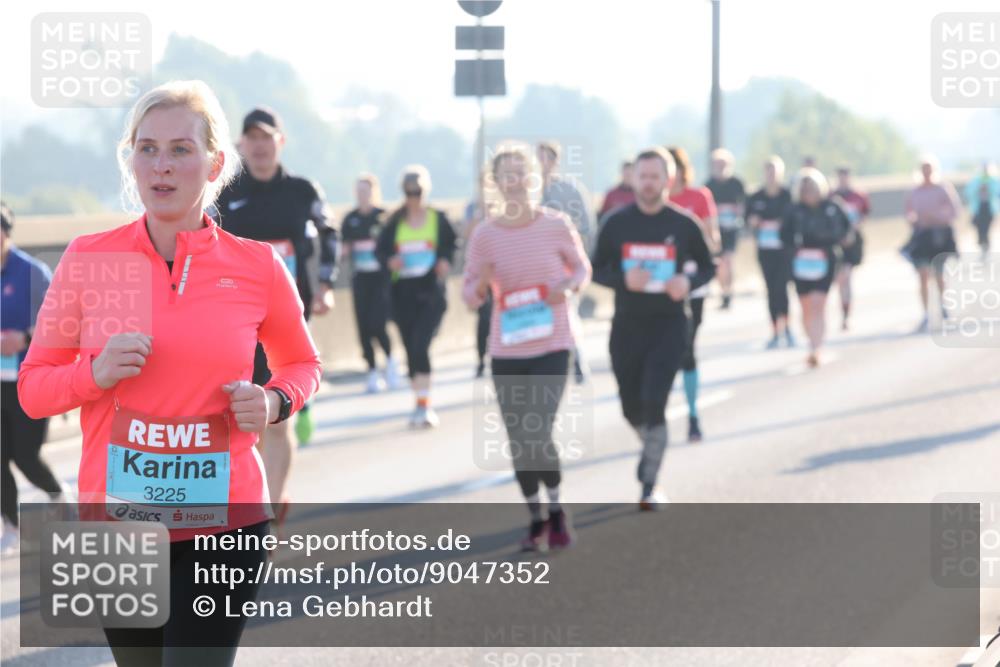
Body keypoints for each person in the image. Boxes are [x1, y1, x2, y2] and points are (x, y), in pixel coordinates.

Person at [17, 80, 322, 667]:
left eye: (181, 149)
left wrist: (275, 401)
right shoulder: (87, 259)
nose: (161, 165)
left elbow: (301, 364)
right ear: (129, 158)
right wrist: (94, 373)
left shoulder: (258, 266)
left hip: (224, 523)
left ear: (215, 164)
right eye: (147, 148)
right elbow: (32, 391)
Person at [462, 146, 591, 550]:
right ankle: (535, 517)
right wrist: (480, 284)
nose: (515, 182)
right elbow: (469, 296)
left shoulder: (556, 224)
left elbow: (583, 269)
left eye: (522, 173)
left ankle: (556, 509)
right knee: (519, 439)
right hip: (507, 349)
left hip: (553, 344)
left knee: (538, 430)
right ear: (496, 183)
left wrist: (567, 286)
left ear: (536, 179)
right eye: (507, 175)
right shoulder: (484, 235)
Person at [213, 106, 338, 523]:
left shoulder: (303, 191)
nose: (261, 145)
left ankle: (268, 508)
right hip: (234, 323)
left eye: (268, 137)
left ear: (280, 142)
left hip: (286, 320)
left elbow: (330, 233)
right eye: (252, 138)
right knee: (243, 419)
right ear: (240, 145)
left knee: (275, 420)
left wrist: (324, 284)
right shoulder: (227, 194)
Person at [592, 148, 715, 510]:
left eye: (655, 177)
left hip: (670, 324)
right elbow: (595, 268)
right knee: (631, 407)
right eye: (642, 176)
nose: (648, 183)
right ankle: (653, 443)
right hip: (627, 325)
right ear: (633, 179)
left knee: (654, 399)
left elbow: (708, 266)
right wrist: (622, 278)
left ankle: (649, 483)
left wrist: (685, 281)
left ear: (668, 181)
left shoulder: (684, 224)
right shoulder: (616, 223)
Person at [1, 202, 72, 553]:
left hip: (30, 380)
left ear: (6, 233)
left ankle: (59, 496)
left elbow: (61, 325)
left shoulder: (33, 273)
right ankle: (10, 526)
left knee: (26, 456)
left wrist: (23, 339)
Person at [376, 165, 457, 428]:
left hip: (431, 291)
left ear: (426, 190)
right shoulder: (393, 222)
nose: (414, 197)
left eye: (418, 191)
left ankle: (425, 405)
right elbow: (380, 251)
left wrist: (445, 260)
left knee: (421, 344)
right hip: (402, 294)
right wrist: (390, 260)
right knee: (411, 348)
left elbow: (451, 245)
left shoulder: (438, 219)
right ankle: (419, 401)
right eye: (409, 192)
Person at [666, 146, 719, 443]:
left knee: (686, 347)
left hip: (693, 284)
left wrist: (696, 248)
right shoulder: (652, 204)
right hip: (660, 286)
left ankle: (692, 413)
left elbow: (713, 239)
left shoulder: (699, 197)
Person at [781, 168, 850, 367]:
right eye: (805, 189)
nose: (809, 192)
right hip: (800, 263)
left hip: (825, 260)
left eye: (812, 188)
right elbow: (783, 235)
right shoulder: (793, 210)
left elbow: (845, 231)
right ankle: (811, 340)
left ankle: (816, 347)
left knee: (819, 304)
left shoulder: (833, 207)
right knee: (806, 306)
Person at [538, 141, 593, 384]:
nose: (541, 164)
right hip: (533, 264)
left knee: (567, 310)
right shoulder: (524, 192)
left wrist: (575, 258)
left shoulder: (570, 190)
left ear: (554, 161)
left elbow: (586, 227)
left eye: (545, 159)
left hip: (564, 263)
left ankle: (577, 359)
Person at [341, 173, 399, 392]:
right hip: (360, 278)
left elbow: (393, 246)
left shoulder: (383, 217)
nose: (362, 196)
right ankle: (372, 370)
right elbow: (344, 246)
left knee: (378, 323)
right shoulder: (351, 219)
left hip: (381, 279)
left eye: (365, 191)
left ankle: (391, 361)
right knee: (363, 326)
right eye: (358, 192)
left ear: (373, 192)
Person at [902, 155, 962, 332]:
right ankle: (926, 313)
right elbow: (908, 212)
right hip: (922, 236)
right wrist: (915, 220)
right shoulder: (915, 191)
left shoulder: (942, 189)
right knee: (922, 275)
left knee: (939, 274)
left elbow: (954, 211)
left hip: (939, 235)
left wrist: (937, 218)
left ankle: (944, 306)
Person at [745, 157, 796, 348]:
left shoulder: (787, 196)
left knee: (782, 289)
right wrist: (753, 222)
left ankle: (788, 328)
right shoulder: (756, 197)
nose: (771, 175)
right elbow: (746, 220)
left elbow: (795, 219)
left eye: (775, 171)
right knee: (770, 290)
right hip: (765, 250)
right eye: (768, 171)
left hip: (784, 250)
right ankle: (775, 330)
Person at [830, 166, 871, 331]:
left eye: (845, 176)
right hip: (836, 241)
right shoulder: (831, 196)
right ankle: (843, 311)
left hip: (853, 241)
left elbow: (865, 214)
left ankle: (846, 315)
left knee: (846, 277)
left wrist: (854, 228)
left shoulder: (859, 195)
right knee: (841, 280)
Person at [704, 148, 746, 310]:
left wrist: (739, 213)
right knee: (719, 263)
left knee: (728, 260)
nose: (720, 167)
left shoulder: (737, 183)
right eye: (717, 164)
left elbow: (744, 204)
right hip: (715, 230)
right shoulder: (708, 185)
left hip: (731, 229)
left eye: (723, 164)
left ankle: (729, 292)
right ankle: (723, 291)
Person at [964, 161, 999, 256]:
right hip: (978, 208)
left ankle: (986, 244)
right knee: (979, 226)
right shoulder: (976, 181)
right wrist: (978, 189)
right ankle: (981, 242)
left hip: (989, 208)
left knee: (986, 227)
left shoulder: (994, 181)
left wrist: (989, 189)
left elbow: (997, 193)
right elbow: (968, 192)